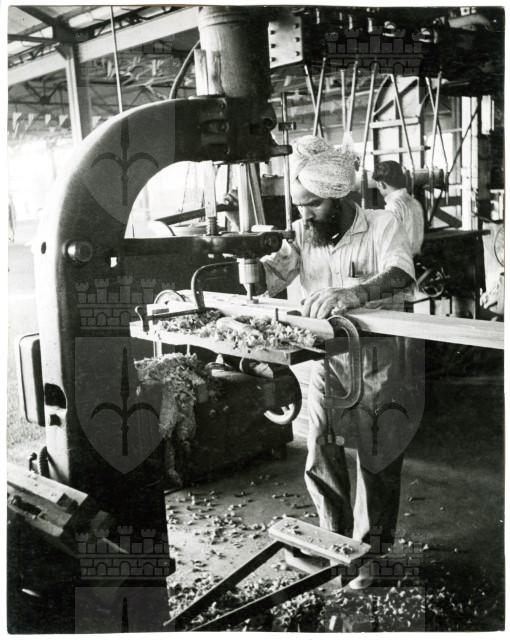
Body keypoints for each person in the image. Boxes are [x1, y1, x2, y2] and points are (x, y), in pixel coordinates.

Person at [257, 136, 423, 585]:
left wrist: (354, 293)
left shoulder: (382, 223)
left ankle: (371, 557)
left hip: (379, 360)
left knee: (377, 459)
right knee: (321, 452)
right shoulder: (302, 233)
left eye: (313, 204)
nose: (304, 214)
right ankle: (335, 543)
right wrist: (259, 265)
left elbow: (401, 273)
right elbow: (271, 282)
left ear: (340, 196)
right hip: (328, 360)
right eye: (299, 205)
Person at [372, 160, 424, 256]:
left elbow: (389, 242)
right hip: (415, 258)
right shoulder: (415, 202)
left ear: (381, 184)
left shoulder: (393, 206)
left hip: (400, 260)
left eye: (377, 185)